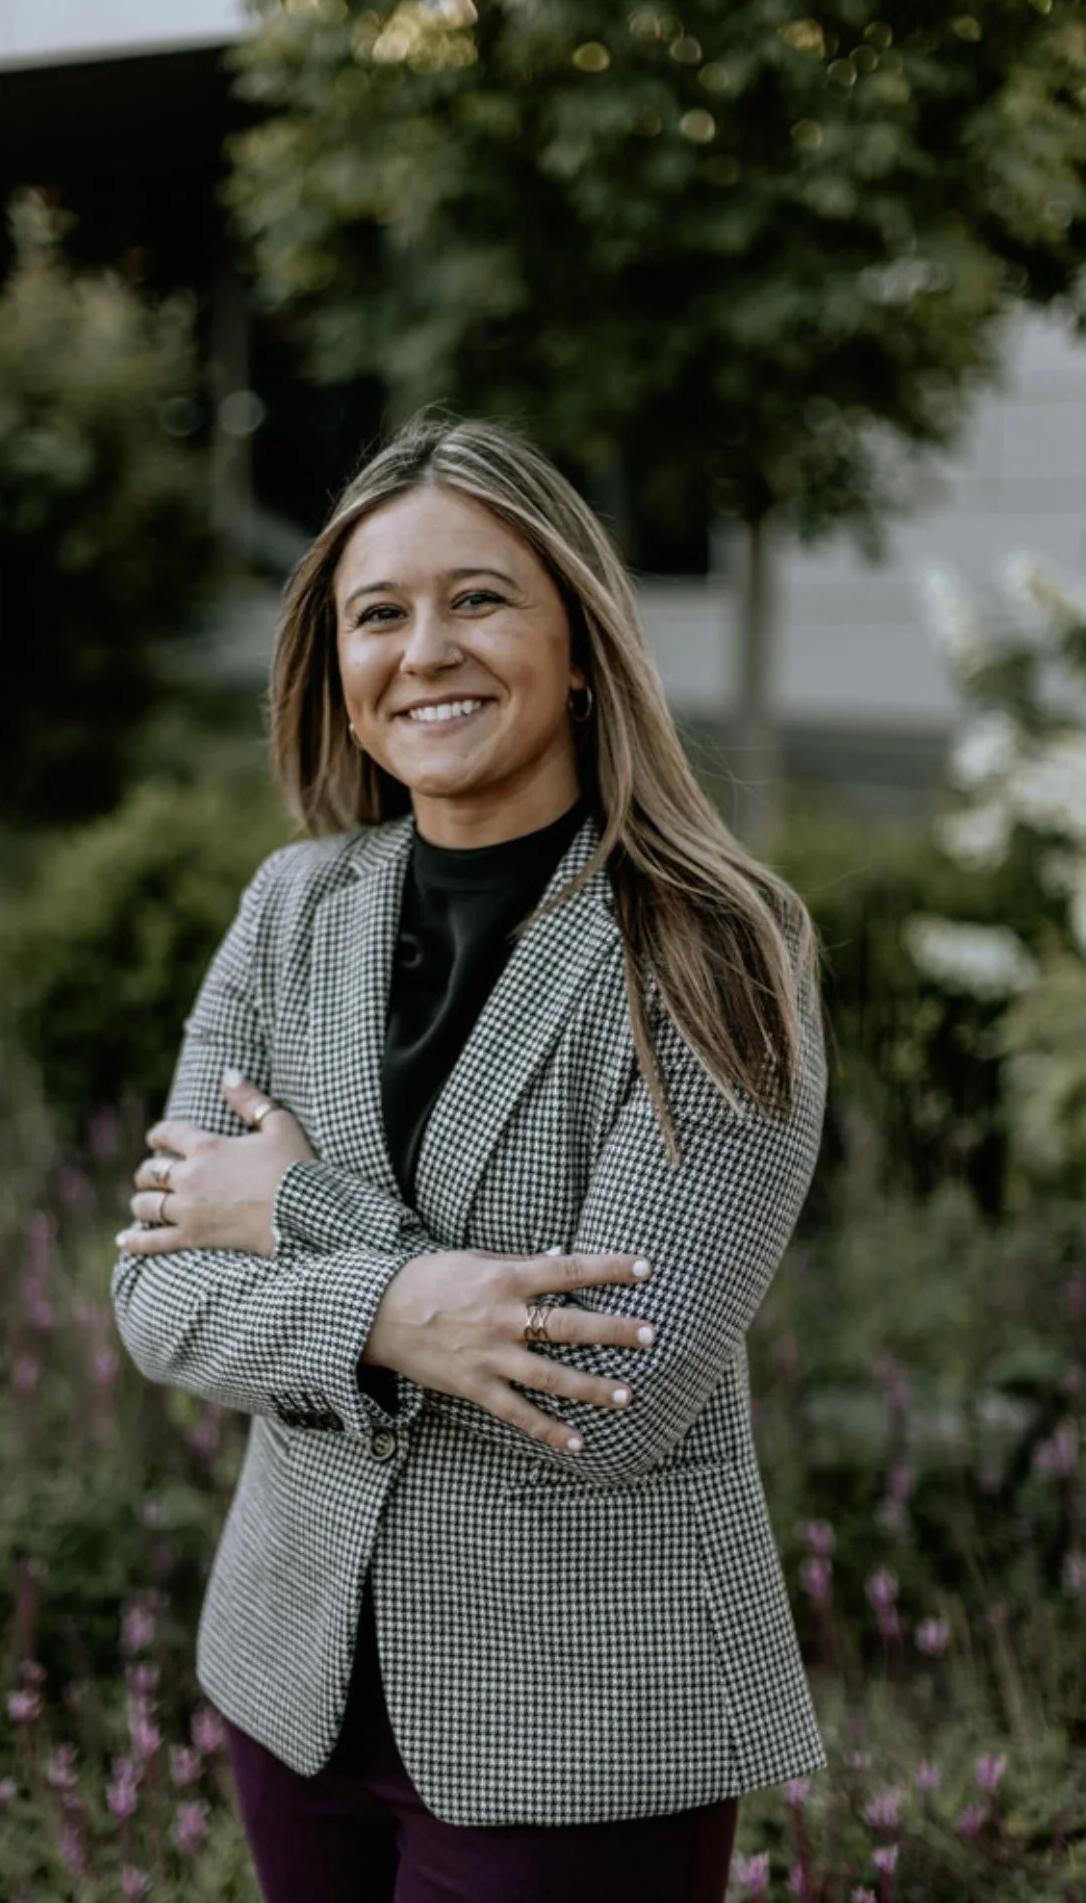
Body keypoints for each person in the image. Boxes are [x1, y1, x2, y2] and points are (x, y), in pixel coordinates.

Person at [111, 415, 828, 1903]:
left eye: (480, 598)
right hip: (292, 1677)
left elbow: (610, 1395)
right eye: (379, 613)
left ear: (580, 644)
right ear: (340, 672)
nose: (425, 649)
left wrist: (292, 1207)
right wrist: (407, 1312)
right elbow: (160, 1297)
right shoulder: (292, 906)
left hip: (582, 1719)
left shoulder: (712, 946)